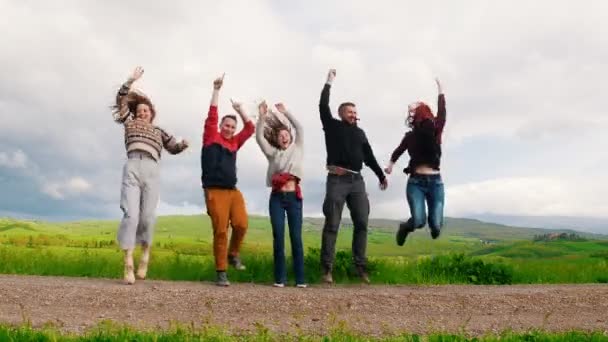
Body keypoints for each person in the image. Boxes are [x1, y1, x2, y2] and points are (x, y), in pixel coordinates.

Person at [111, 66, 189, 284]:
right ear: (136, 113)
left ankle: (145, 253)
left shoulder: (159, 131)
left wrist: (183, 144)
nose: (142, 113)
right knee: (131, 215)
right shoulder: (130, 123)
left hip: (153, 170)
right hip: (133, 166)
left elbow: (173, 147)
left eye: (146, 111)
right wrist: (130, 80)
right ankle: (127, 262)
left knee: (147, 217)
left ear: (152, 114)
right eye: (140, 111)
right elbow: (121, 99)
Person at [318, 69, 388, 284]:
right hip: (337, 179)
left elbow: (369, 156)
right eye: (349, 111)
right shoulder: (332, 126)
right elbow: (322, 106)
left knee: (362, 223)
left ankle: (360, 267)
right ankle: (327, 269)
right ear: (341, 114)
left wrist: (380, 176)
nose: (353, 114)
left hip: (357, 181)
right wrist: (329, 82)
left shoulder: (360, 133)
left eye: (355, 111)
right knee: (332, 224)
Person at [201, 74, 255, 286]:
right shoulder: (211, 137)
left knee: (241, 224)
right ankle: (221, 271)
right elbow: (212, 114)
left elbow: (249, 129)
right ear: (221, 125)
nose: (230, 129)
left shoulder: (234, 143)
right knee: (221, 230)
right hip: (214, 191)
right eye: (227, 125)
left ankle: (233, 254)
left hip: (233, 191)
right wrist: (216, 90)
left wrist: (240, 109)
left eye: (232, 127)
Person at [384, 78, 447, 245]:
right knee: (419, 221)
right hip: (416, 183)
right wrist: (390, 166)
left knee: (435, 225)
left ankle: (436, 227)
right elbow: (397, 151)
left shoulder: (435, 130)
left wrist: (441, 90)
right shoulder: (410, 137)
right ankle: (404, 228)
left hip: (435, 183)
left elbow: (442, 112)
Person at [255, 101, 306, 288]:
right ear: (276, 140)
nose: (283, 137)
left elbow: (300, 128)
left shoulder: (297, 148)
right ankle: (280, 279)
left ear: (290, 137)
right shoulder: (273, 154)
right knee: (279, 236)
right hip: (277, 198)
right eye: (280, 136)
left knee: (296, 237)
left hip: (293, 199)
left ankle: (300, 279)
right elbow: (259, 138)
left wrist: (286, 112)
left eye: (286, 134)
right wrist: (261, 117)